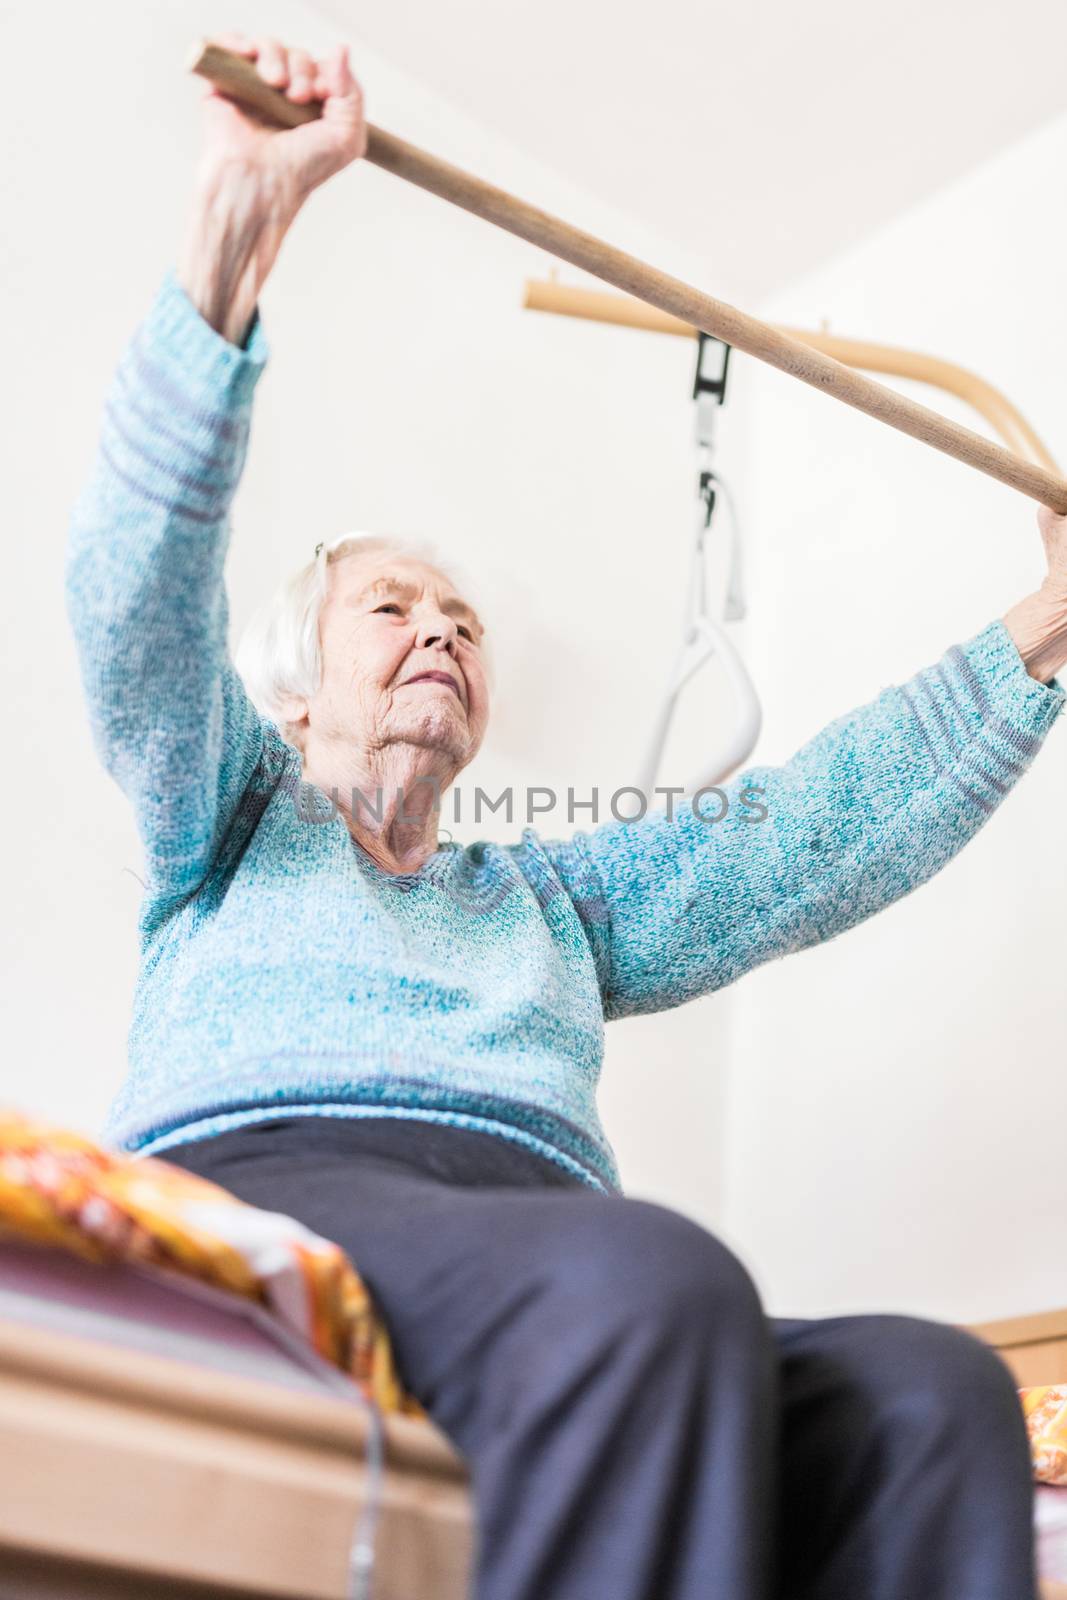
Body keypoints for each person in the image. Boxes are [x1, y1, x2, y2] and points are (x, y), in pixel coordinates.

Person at [65, 34, 1067, 1600]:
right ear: (292, 693)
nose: (444, 632)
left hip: (530, 1245)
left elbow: (808, 835)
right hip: (282, 1190)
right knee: (656, 1281)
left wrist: (1054, 622)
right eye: (390, 606)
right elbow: (133, 612)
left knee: (939, 1400)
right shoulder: (230, 812)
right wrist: (228, 248)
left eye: (462, 619)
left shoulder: (544, 898)